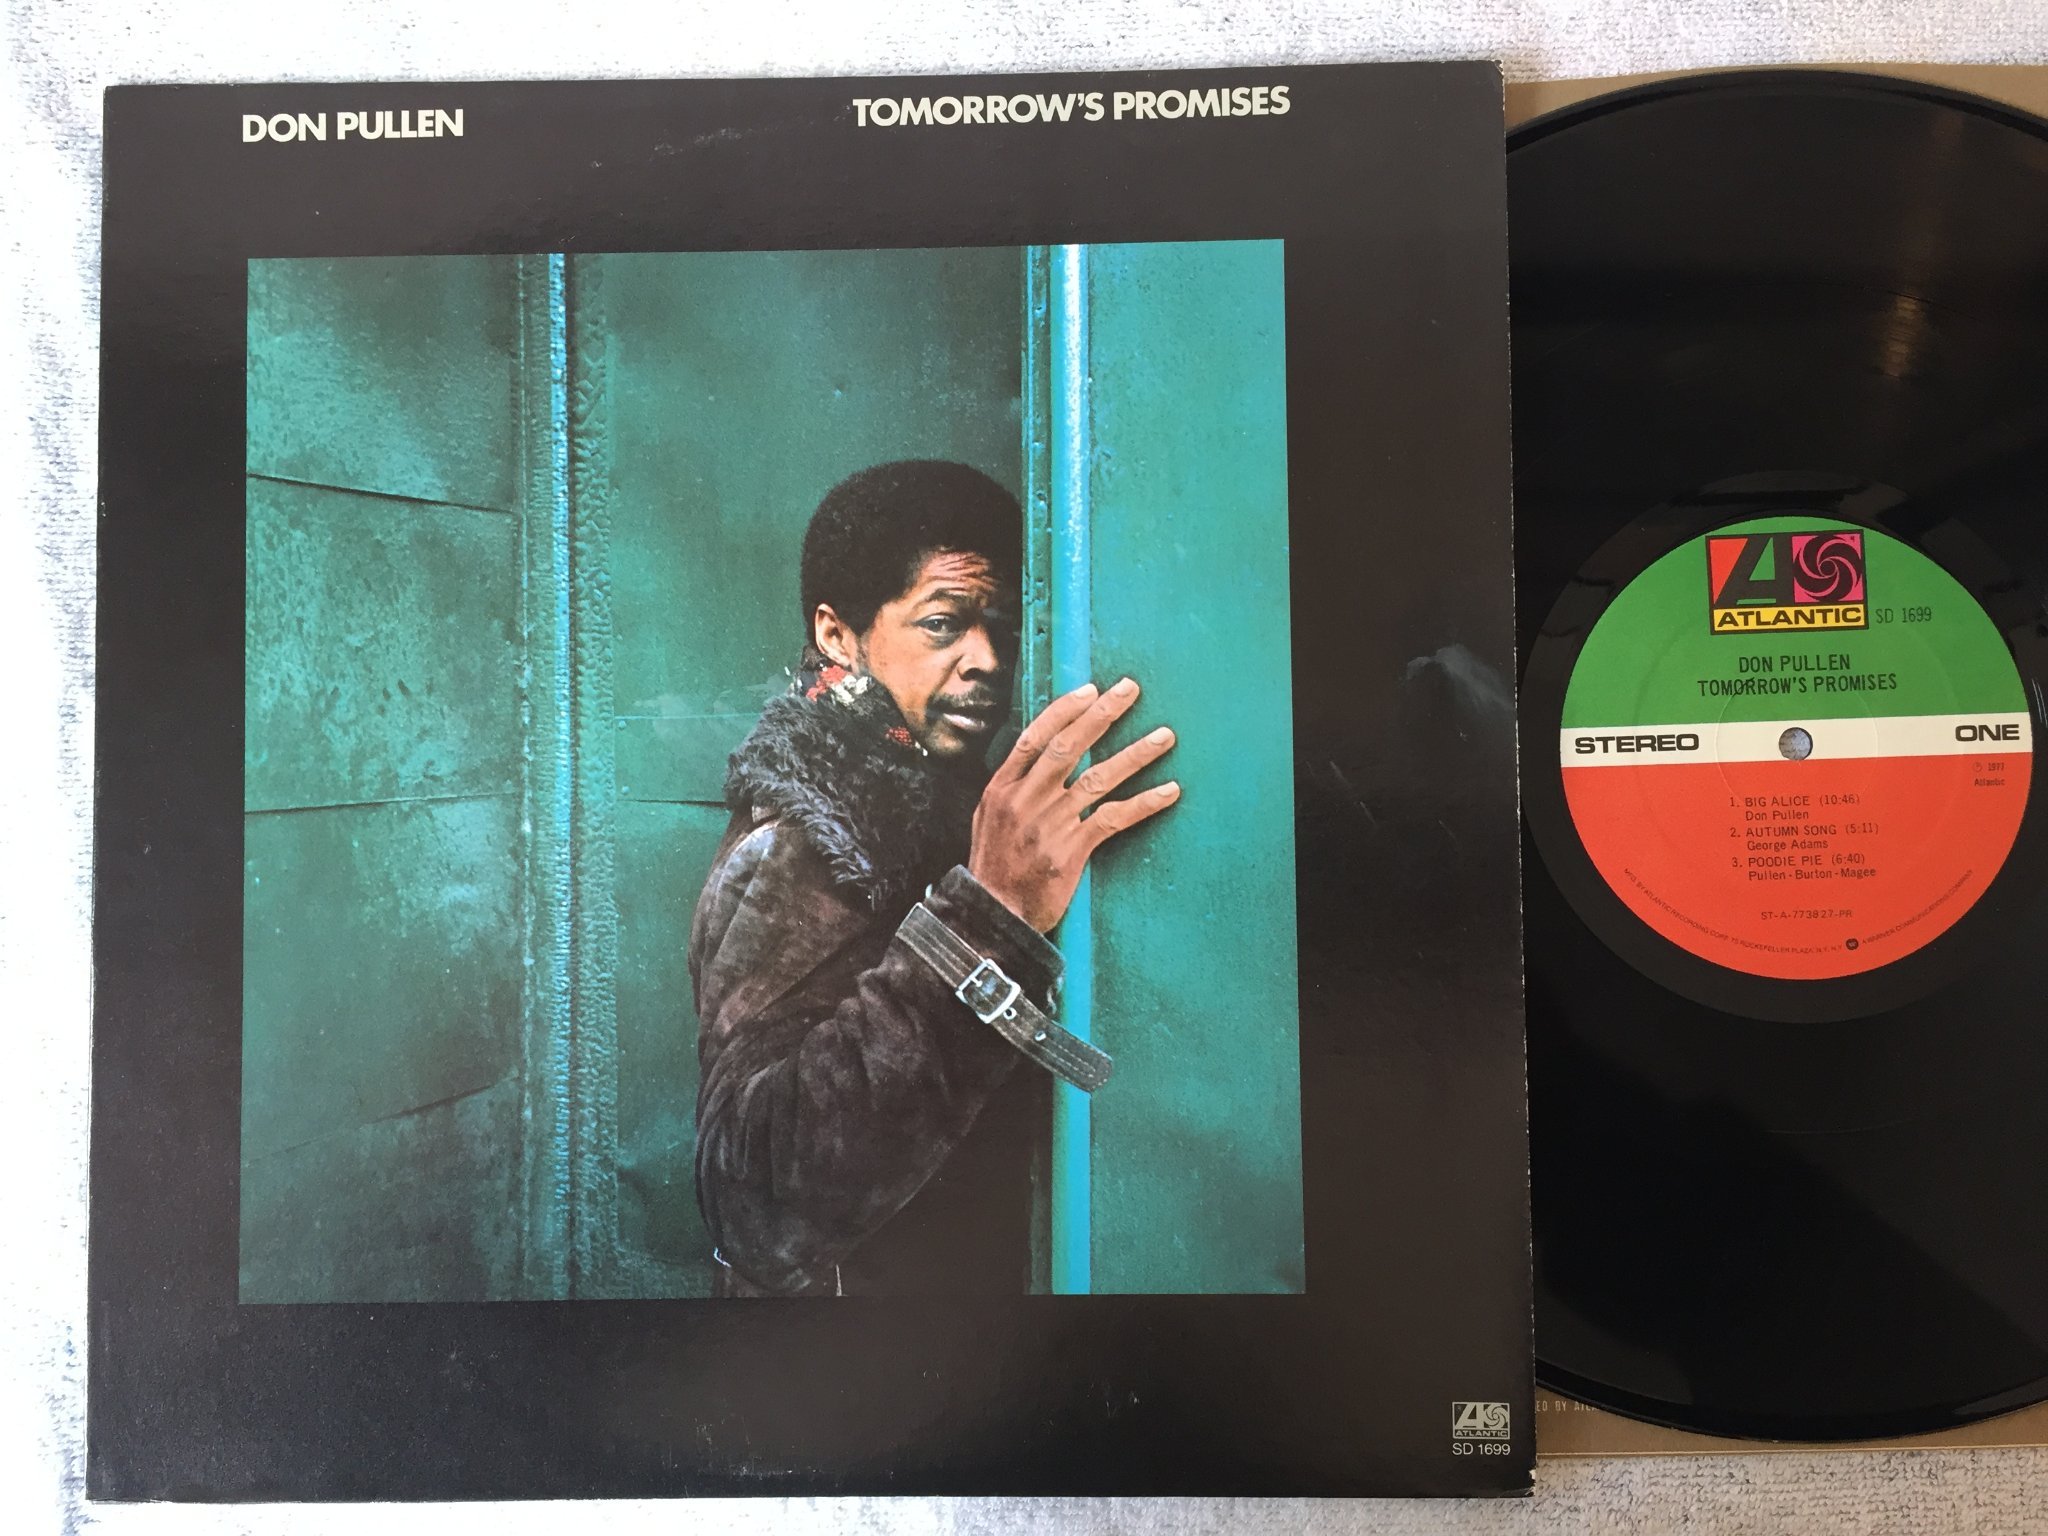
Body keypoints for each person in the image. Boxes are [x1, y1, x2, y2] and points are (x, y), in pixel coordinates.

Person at [689, 460, 1179, 1296]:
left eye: (1004, 628)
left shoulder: (944, 804)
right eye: (944, 624)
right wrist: (986, 920)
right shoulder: (804, 840)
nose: (986, 659)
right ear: (838, 635)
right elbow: (751, 1203)